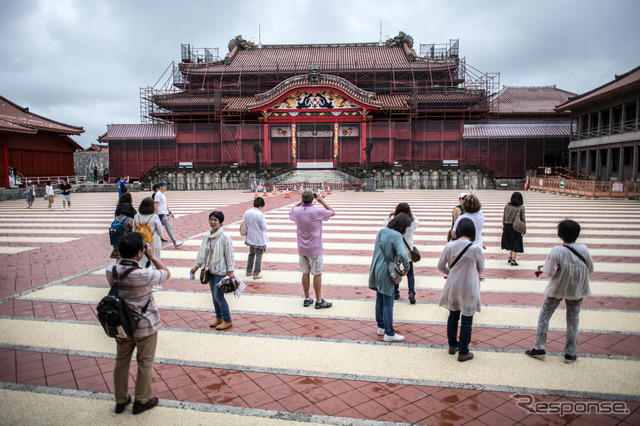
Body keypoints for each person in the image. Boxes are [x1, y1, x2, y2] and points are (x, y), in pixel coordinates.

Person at [107, 232, 170, 415]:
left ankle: (121, 400)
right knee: (145, 362)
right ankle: (141, 400)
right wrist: (152, 256)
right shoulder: (144, 274)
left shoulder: (110, 271)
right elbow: (166, 274)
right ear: (139, 253)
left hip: (122, 325)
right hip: (145, 325)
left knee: (121, 361)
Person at [525, 219, 594, 364]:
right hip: (577, 289)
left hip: (558, 288)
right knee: (573, 319)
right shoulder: (584, 249)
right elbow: (590, 269)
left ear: (560, 234)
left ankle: (539, 347)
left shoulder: (557, 251)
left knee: (545, 315)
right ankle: (570, 352)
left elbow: (549, 271)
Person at [437, 218, 484, 362]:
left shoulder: (449, 246)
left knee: (453, 315)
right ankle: (464, 351)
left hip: (453, 285)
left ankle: (452, 345)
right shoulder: (476, 248)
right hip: (469, 286)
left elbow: (440, 266)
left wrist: (451, 272)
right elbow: (481, 268)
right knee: (467, 320)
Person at [289, 188, 335, 309]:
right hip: (315, 248)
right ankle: (319, 301)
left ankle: (306, 298)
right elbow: (332, 212)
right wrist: (321, 201)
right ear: (313, 199)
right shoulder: (317, 211)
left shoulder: (297, 211)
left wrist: (300, 202)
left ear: (302, 198)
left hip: (302, 248)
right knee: (317, 274)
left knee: (305, 273)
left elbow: (291, 211)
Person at [190, 211, 236, 330]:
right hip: (209, 270)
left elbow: (229, 255)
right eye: (211, 219)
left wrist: (230, 271)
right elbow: (202, 252)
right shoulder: (207, 236)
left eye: (215, 220)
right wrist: (196, 266)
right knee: (214, 296)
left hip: (221, 271)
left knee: (218, 296)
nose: (213, 222)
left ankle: (227, 319)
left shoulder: (225, 237)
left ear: (221, 222)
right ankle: (219, 317)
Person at [370, 213, 411, 342]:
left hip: (376, 267)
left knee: (380, 298)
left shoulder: (381, 232)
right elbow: (402, 254)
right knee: (388, 302)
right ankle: (389, 333)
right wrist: (407, 268)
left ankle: (381, 326)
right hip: (386, 271)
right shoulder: (397, 235)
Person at [383, 203, 419, 303]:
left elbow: (385, 224)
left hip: (396, 250)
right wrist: (411, 215)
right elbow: (417, 221)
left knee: (395, 270)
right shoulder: (412, 223)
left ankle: (395, 292)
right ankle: (411, 292)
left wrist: (390, 216)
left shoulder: (394, 223)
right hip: (408, 251)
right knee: (410, 273)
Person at [133, 198, 164, 291]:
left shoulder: (136, 216)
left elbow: (134, 229)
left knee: (141, 262)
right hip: (153, 240)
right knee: (155, 260)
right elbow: (160, 231)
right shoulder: (154, 217)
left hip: (140, 241)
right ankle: (155, 284)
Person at [244, 196, 269, 279]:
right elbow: (264, 227)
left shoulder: (247, 212)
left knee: (251, 253)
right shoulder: (260, 214)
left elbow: (244, 223)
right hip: (259, 237)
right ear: (261, 206)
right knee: (259, 254)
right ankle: (256, 273)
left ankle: (248, 271)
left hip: (250, 235)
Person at [501, 192, 526, 266]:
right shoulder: (521, 207)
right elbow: (523, 219)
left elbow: (504, 216)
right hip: (516, 227)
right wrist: (524, 229)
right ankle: (513, 260)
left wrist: (504, 225)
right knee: (516, 242)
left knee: (510, 242)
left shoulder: (507, 206)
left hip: (507, 226)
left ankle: (509, 257)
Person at [155, 181, 182, 247]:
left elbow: (165, 204)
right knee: (168, 228)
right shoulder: (158, 194)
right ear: (160, 187)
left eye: (165, 186)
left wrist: (169, 212)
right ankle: (175, 242)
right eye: (164, 186)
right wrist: (156, 214)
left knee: (158, 229)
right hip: (161, 214)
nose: (165, 187)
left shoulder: (163, 194)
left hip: (164, 213)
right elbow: (155, 204)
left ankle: (157, 241)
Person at [111, 194, 137, 259]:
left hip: (117, 240)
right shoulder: (129, 220)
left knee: (119, 260)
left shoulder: (117, 218)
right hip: (127, 242)